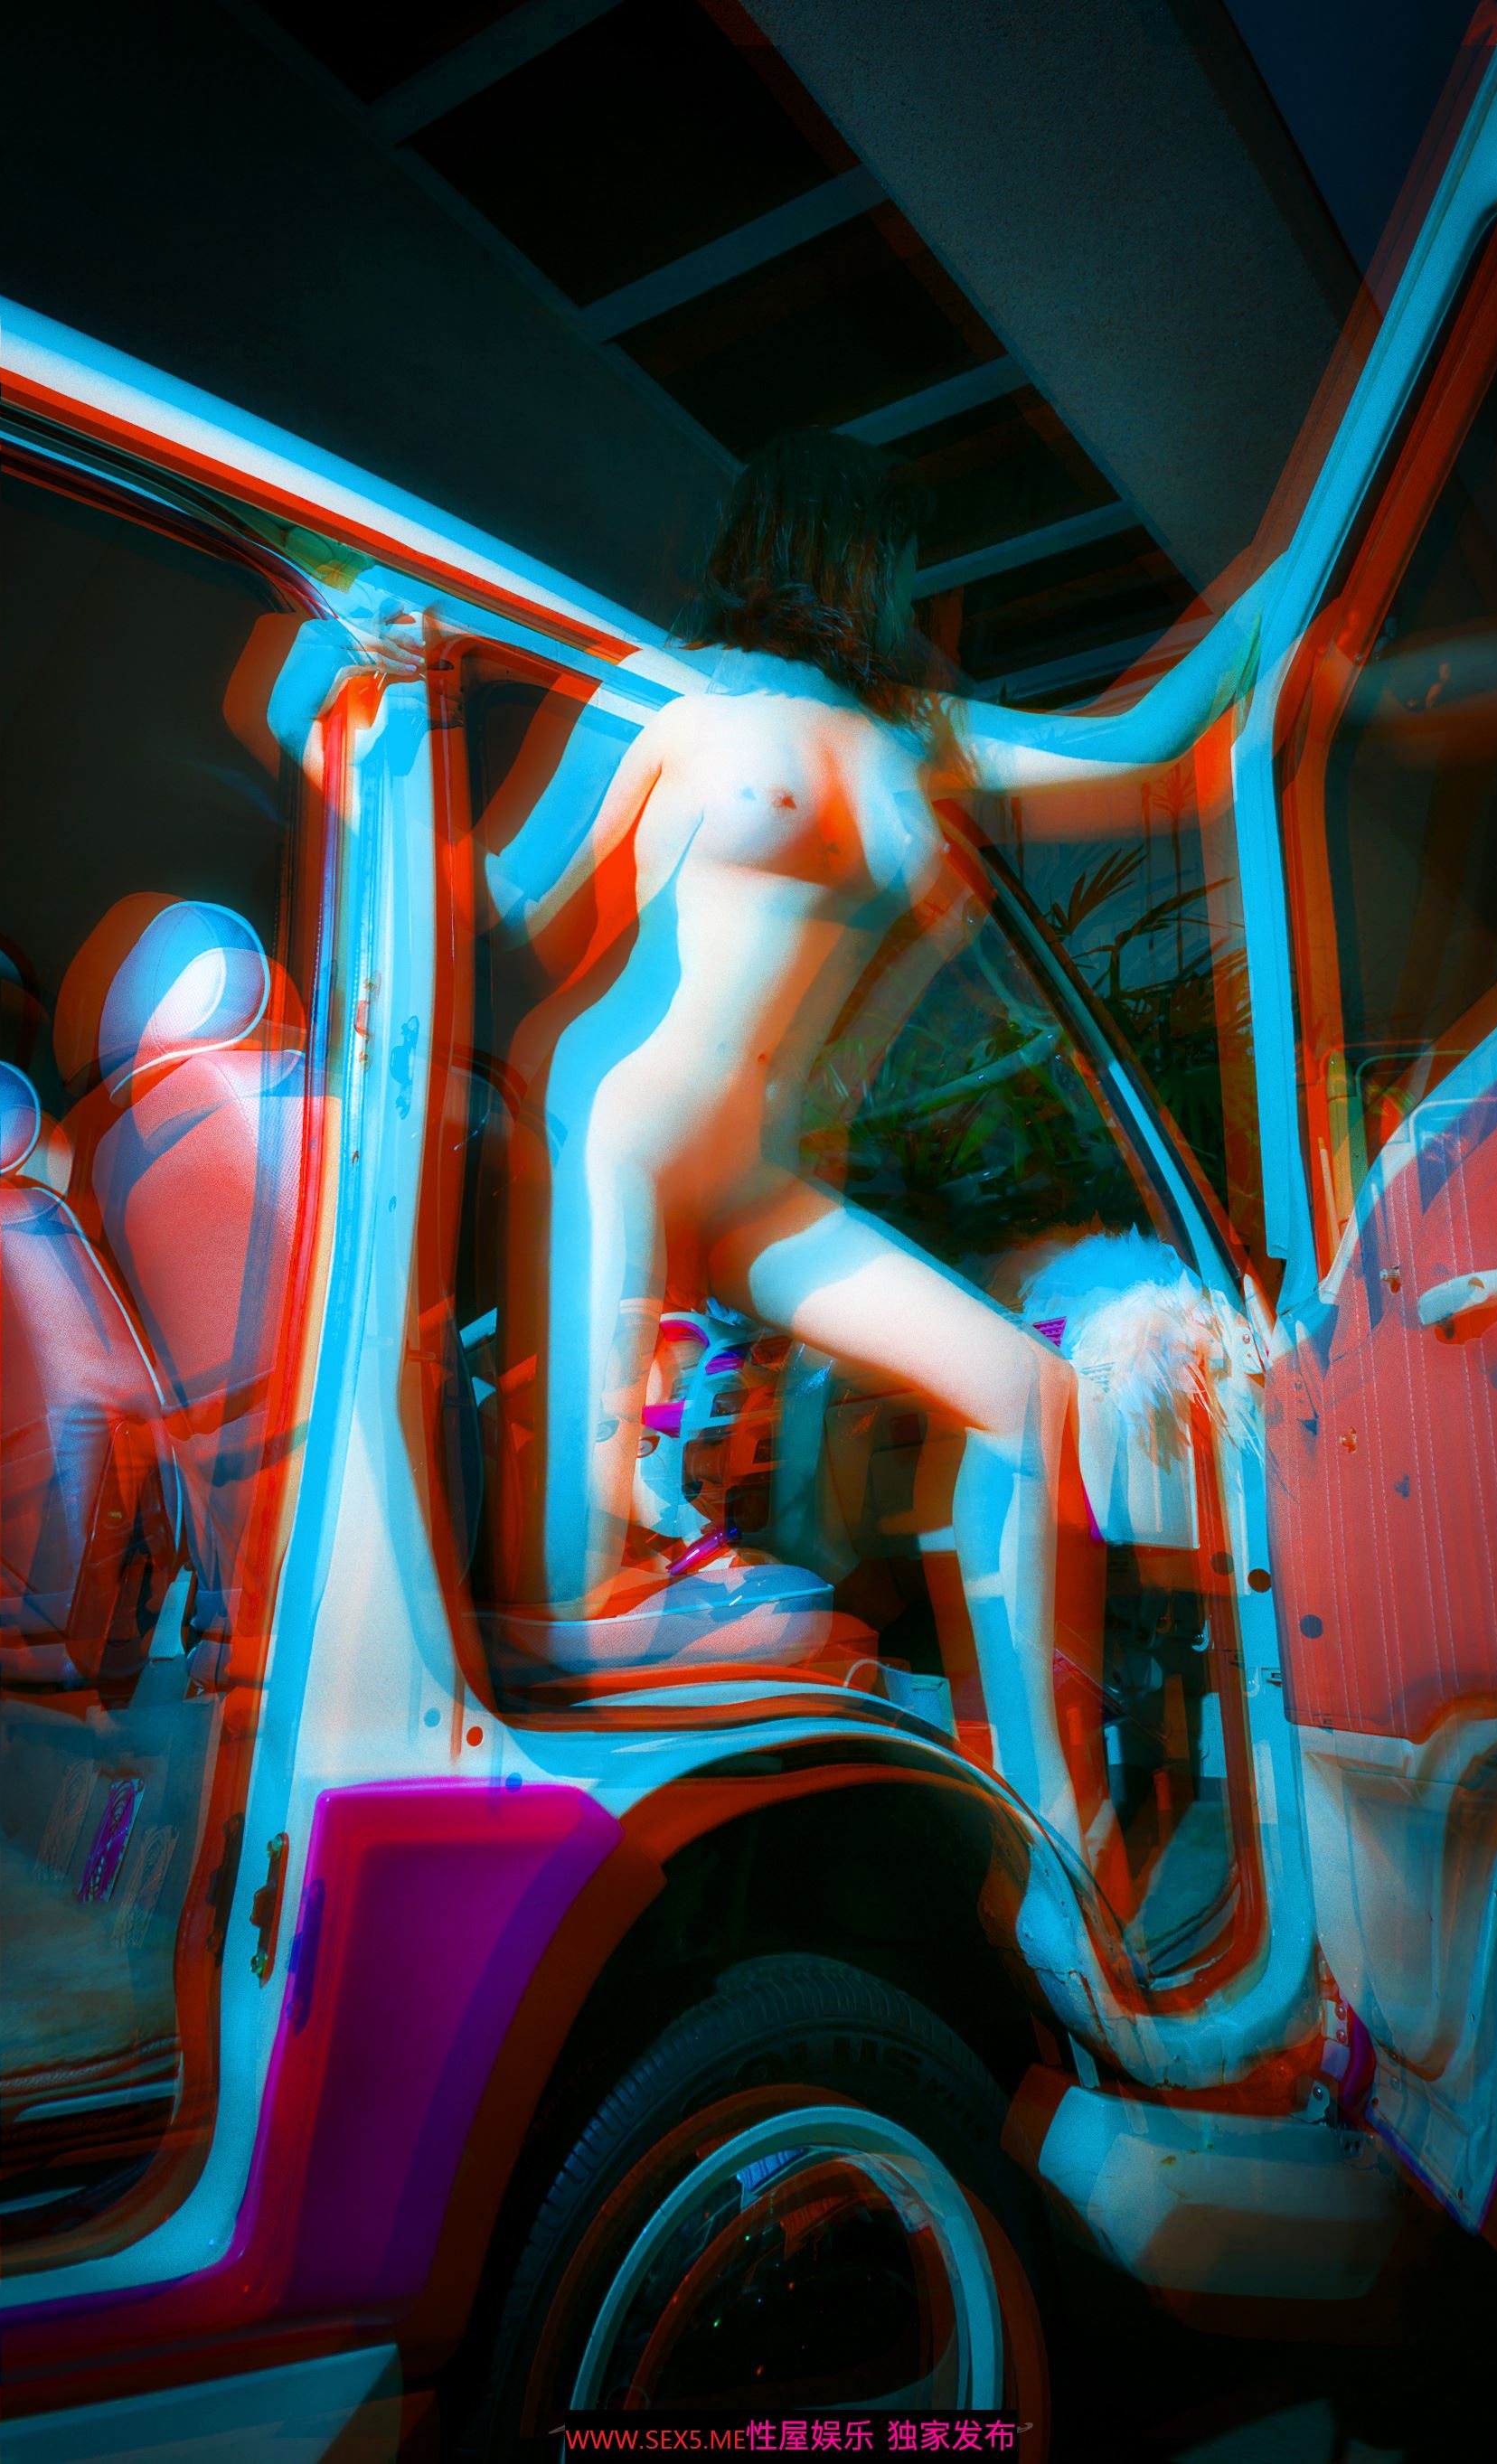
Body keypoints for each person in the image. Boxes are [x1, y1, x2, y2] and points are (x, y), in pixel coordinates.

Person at [482, 428, 1266, 1852]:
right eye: (899, 563)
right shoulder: (669, 690)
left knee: (1029, 1401)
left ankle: (1056, 1829)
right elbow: (520, 896)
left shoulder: (915, 738)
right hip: (624, 1125)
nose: (912, 594)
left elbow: (1145, 745)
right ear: (844, 554)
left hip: (758, 1178)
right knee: (574, 1606)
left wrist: (1296, 591)